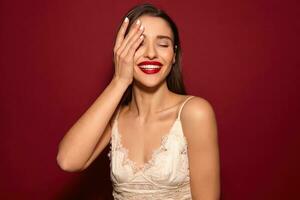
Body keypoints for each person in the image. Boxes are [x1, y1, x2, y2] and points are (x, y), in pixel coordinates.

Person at [56, 3, 220, 200]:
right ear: (121, 52)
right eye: (139, 44)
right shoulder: (115, 117)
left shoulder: (195, 112)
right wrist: (119, 81)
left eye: (163, 44)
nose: (151, 53)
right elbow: (68, 160)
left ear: (174, 55)